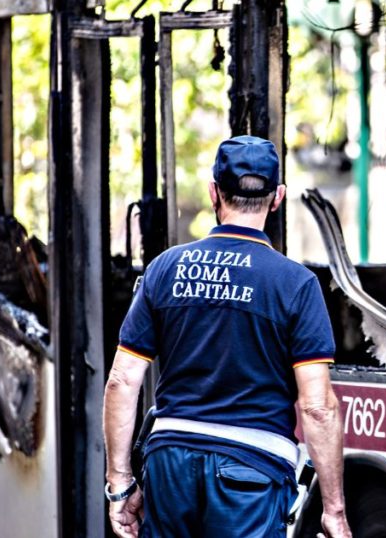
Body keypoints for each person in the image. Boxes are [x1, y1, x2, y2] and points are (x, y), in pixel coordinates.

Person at [102, 135, 352, 538]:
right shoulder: (296, 285)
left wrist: (120, 483)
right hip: (251, 474)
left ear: (214, 192)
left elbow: (122, 380)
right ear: (278, 198)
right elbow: (318, 407)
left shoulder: (165, 269)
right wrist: (335, 510)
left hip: (170, 465)